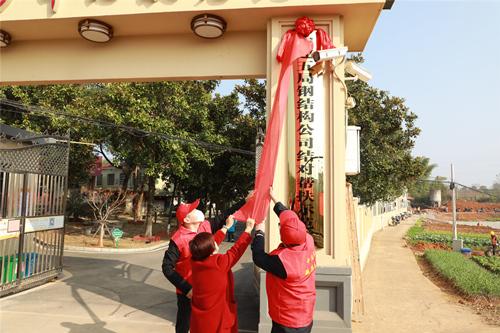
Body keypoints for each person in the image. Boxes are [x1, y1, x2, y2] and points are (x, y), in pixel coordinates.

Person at [161, 196, 247, 333]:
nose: (197, 210)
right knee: (184, 324)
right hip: (188, 291)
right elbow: (166, 267)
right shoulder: (178, 239)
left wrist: (245, 201)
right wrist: (186, 288)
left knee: (205, 324)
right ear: (186, 220)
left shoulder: (205, 226)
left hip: (206, 287)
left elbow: (224, 216)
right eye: (193, 209)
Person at [251, 187, 316, 333]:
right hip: (305, 314)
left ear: (283, 237)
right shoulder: (308, 241)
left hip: (287, 321)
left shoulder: (284, 263)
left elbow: (259, 257)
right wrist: (274, 197)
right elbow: (290, 218)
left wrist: (259, 231)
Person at [189, 216, 255, 333]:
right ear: (212, 250)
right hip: (218, 322)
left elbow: (206, 244)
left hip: (200, 323)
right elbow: (236, 250)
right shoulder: (219, 264)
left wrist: (226, 227)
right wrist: (248, 230)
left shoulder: (195, 260)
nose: (216, 241)